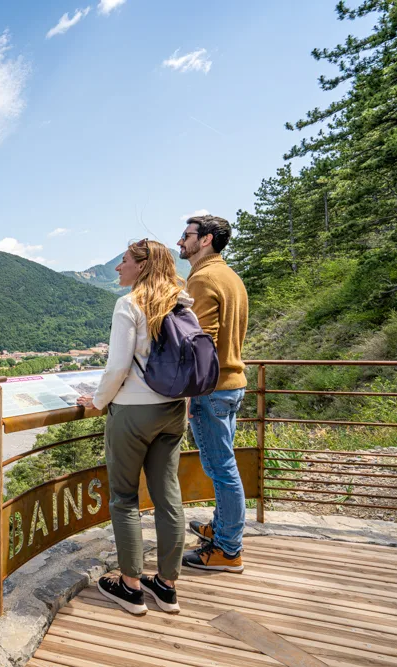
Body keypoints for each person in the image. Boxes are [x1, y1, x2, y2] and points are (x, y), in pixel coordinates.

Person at [80, 238, 193, 615]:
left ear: (141, 266)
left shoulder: (128, 305)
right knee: (168, 497)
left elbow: (117, 367)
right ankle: (167, 585)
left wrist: (96, 402)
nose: (118, 267)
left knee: (125, 498)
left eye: (124, 260)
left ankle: (130, 586)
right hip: (173, 410)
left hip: (133, 412)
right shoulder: (181, 300)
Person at [177, 214, 249, 573]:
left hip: (212, 388)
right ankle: (223, 529)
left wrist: (188, 391)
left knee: (221, 470)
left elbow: (200, 343)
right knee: (226, 464)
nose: (180, 242)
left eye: (186, 235)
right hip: (233, 383)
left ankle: (227, 549)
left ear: (205, 240)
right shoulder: (230, 276)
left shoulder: (203, 278)